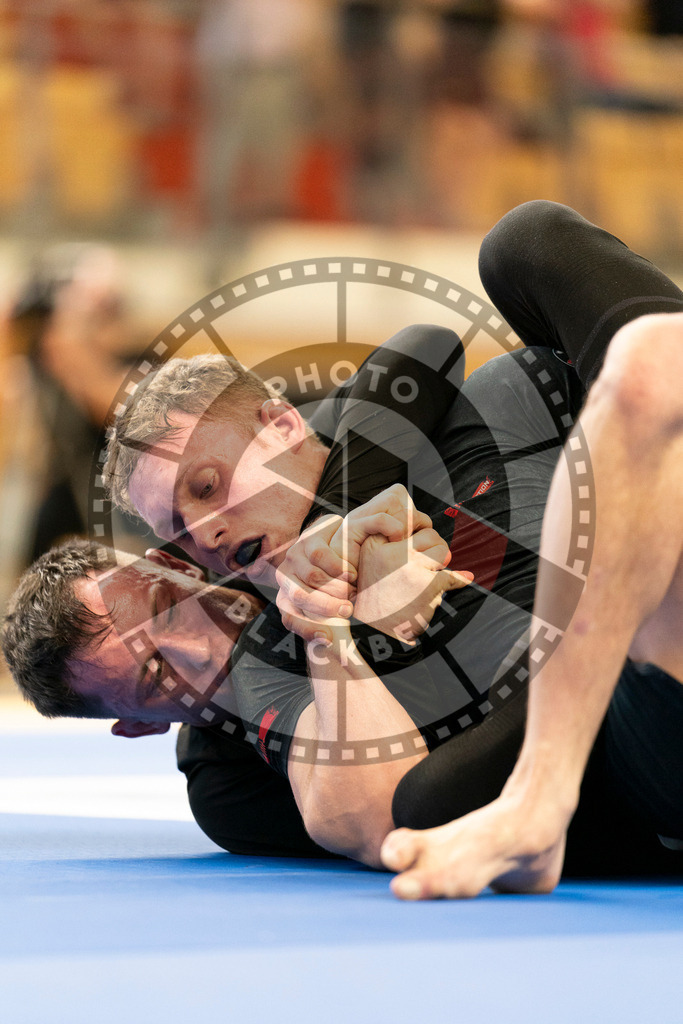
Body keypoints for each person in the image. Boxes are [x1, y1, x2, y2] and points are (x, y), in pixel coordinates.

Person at [101, 200, 683, 874]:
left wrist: (336, 531)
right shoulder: (286, 669)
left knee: (525, 247)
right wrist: (351, 630)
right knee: (430, 801)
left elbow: (425, 348)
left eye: (206, 486)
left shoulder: (419, 422)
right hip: (647, 700)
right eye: (182, 532)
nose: (209, 528)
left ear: (283, 424)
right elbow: (409, 811)